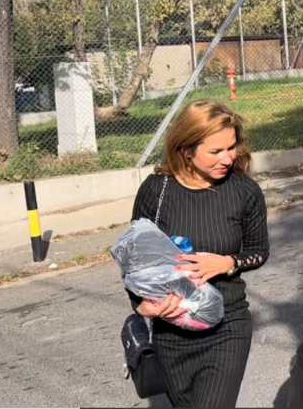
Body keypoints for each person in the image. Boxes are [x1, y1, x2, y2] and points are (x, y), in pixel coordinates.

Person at [127, 100, 269, 408]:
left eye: (231, 148)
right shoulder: (156, 190)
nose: (228, 158)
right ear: (186, 150)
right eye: (215, 151)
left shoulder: (244, 191)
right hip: (171, 331)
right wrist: (142, 306)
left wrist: (228, 262)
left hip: (227, 325)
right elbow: (134, 260)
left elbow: (259, 251)